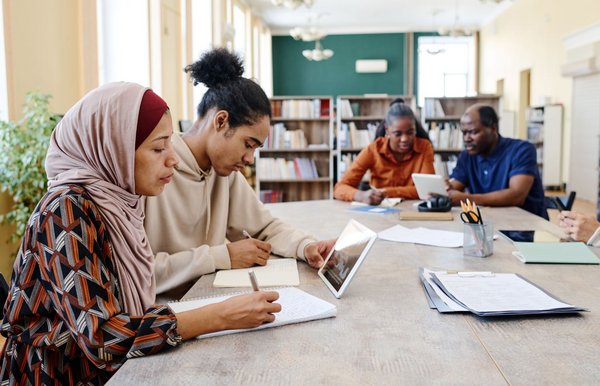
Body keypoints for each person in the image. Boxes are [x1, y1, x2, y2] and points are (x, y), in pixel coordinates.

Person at [0, 82, 281, 385]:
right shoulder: (64, 212)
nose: (172, 158)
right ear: (114, 148)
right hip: (58, 376)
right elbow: (102, 338)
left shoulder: (119, 203)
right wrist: (218, 316)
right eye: (159, 148)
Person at [143, 48, 336, 296]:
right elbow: (136, 271)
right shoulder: (151, 171)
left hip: (207, 299)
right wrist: (221, 256)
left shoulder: (225, 175)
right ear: (221, 121)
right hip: (163, 310)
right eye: (248, 144)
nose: (249, 159)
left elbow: (266, 228)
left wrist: (306, 245)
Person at [446, 104, 548, 219]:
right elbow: (454, 186)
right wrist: (445, 188)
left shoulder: (522, 150)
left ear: (493, 129)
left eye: (473, 132)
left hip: (525, 228)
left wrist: (466, 199)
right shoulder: (467, 156)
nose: (466, 139)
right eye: (464, 133)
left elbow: (517, 195)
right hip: (487, 224)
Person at [333, 102, 435, 205]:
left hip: (414, 212)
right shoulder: (373, 150)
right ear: (387, 130)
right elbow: (339, 188)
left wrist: (386, 192)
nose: (405, 139)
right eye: (398, 134)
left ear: (415, 129)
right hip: (380, 211)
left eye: (410, 132)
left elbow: (428, 190)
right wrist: (361, 196)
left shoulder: (424, 147)